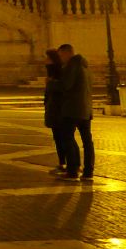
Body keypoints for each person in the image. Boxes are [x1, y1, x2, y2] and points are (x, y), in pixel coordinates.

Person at [56, 43, 94, 180]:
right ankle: (88, 172)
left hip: (73, 108)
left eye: (61, 56)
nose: (61, 59)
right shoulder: (85, 66)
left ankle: (72, 172)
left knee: (67, 137)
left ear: (67, 53)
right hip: (86, 108)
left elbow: (66, 85)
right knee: (87, 141)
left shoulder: (72, 65)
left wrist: (52, 83)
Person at [42, 49, 66, 174]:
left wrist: (50, 84)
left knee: (61, 138)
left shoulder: (58, 74)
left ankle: (65, 164)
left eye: (47, 58)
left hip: (58, 110)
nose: (45, 61)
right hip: (54, 109)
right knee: (58, 138)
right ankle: (63, 163)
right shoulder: (53, 74)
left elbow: (58, 91)